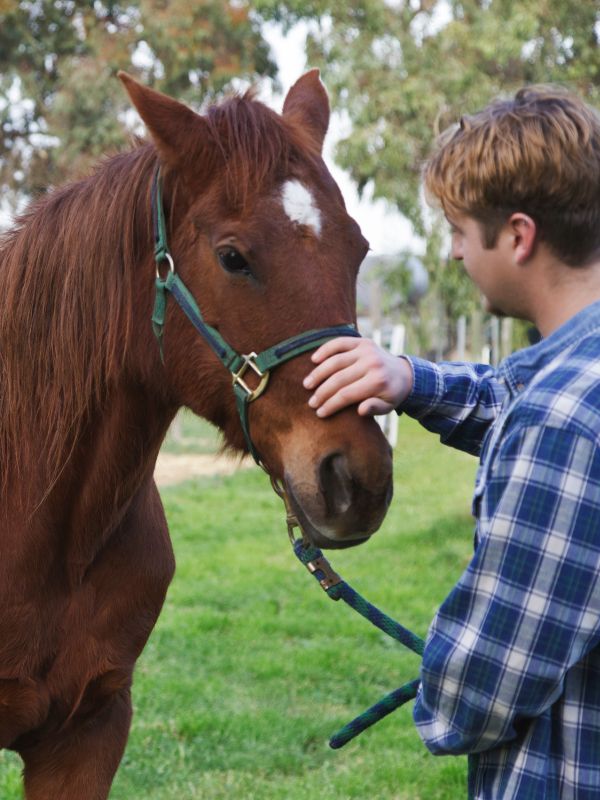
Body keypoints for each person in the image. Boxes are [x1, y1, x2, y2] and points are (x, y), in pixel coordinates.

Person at [303, 86, 600, 799]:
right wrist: (405, 378)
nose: (456, 251)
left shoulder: (561, 422)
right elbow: (513, 397)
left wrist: (443, 688)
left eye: (461, 231)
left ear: (519, 237)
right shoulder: (574, 378)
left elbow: (485, 687)